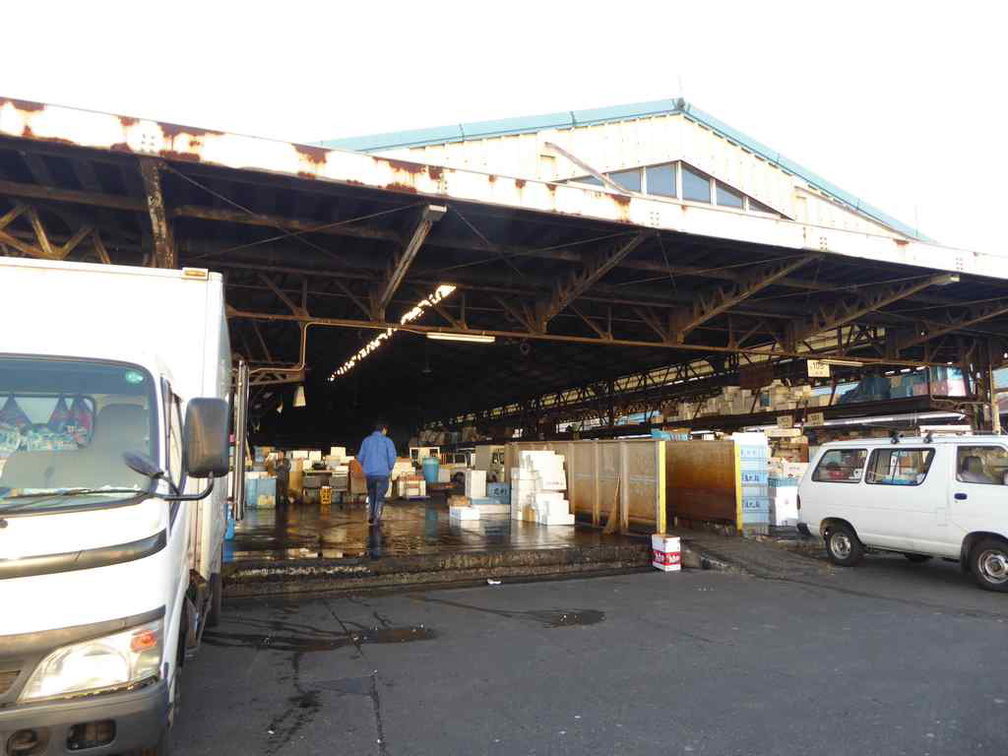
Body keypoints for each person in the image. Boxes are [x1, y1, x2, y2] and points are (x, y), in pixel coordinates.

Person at [358, 422, 396, 525]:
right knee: (380, 495)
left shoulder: (366, 440)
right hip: (383, 474)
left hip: (370, 474)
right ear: (384, 430)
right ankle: (377, 518)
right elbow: (392, 458)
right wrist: (390, 467)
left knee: (371, 494)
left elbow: (360, 457)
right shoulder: (388, 441)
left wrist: (366, 467)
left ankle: (371, 516)